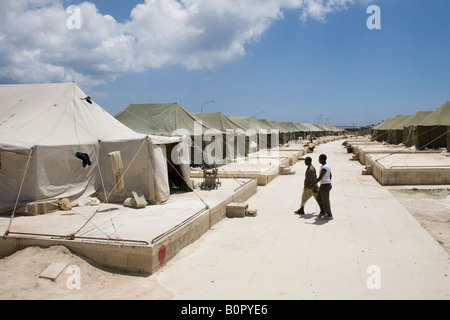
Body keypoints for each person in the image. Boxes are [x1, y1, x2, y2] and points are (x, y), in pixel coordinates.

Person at [310, 154, 333, 220]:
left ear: (323, 159)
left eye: (319, 159)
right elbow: (330, 175)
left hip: (325, 185)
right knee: (318, 198)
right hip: (324, 185)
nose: (318, 160)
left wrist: (312, 184)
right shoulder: (326, 166)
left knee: (325, 200)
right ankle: (322, 211)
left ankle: (329, 215)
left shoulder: (324, 168)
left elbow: (320, 177)